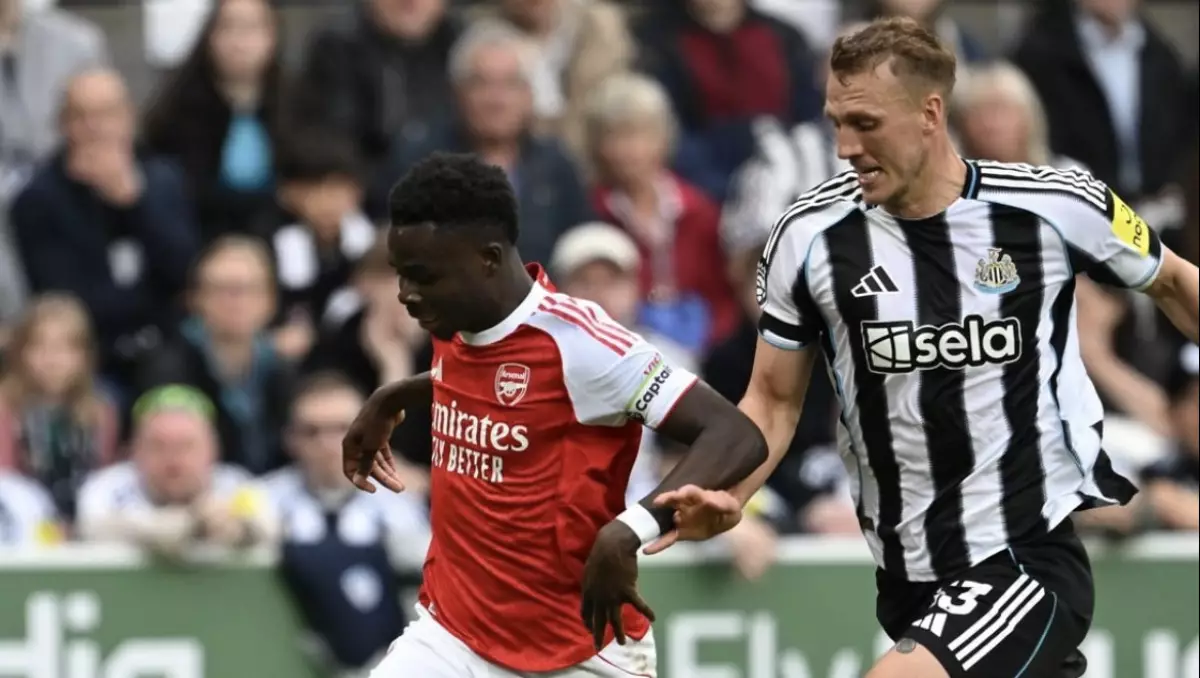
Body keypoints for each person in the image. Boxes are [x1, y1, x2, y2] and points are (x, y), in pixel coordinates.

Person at [651, 18, 1200, 678]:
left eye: (866, 124)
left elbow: (1174, 280)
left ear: (930, 114)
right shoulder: (807, 236)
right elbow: (772, 402)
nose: (846, 147)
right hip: (907, 573)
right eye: (836, 123)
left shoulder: (1052, 205)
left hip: (1023, 557)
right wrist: (732, 496)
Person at [341, 152, 768, 677]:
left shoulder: (582, 344)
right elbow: (490, 381)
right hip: (451, 634)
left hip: (578, 647)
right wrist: (395, 396)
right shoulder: (453, 316)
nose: (406, 295)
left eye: (421, 277)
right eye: (401, 275)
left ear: (488, 260)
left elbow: (734, 434)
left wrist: (629, 529)